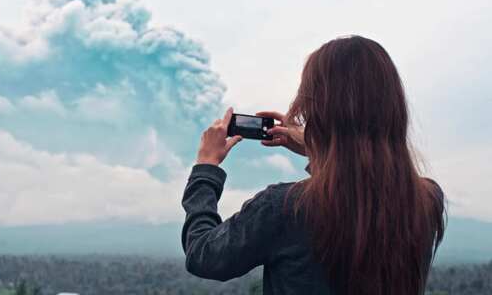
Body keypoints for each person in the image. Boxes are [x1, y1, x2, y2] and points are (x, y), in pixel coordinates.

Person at [181, 35, 446, 295]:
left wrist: (206, 168)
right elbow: (360, 193)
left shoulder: (285, 207)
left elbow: (203, 254)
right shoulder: (427, 201)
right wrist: (319, 150)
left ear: (318, 112)